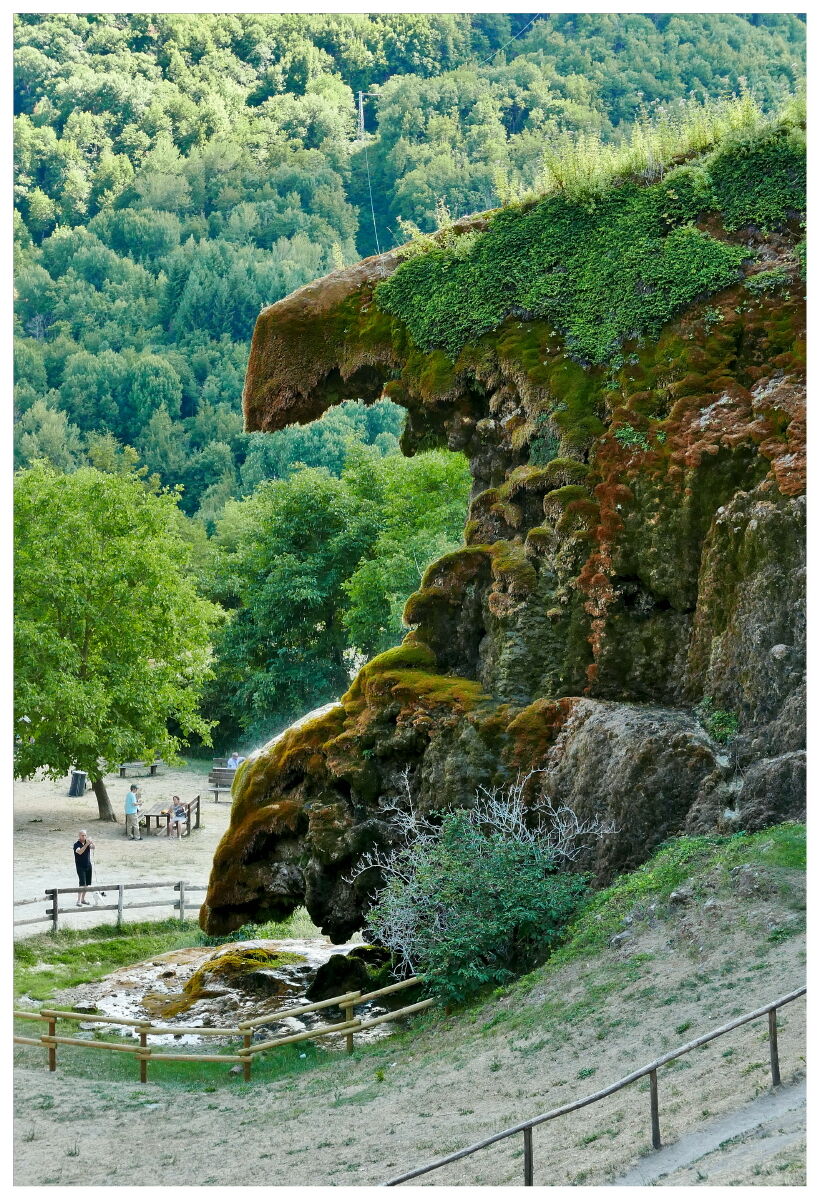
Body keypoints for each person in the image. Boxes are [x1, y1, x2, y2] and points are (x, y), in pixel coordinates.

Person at [73, 830, 95, 905]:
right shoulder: (76, 844)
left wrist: (91, 842)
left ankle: (83, 899)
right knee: (82, 883)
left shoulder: (87, 843)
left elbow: (93, 847)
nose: (84, 837)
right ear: (79, 836)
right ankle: (78, 901)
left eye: (85, 835)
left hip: (88, 865)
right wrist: (86, 845)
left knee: (87, 884)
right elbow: (80, 852)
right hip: (80, 866)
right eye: (82, 835)